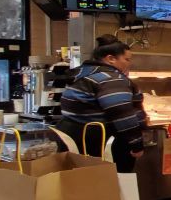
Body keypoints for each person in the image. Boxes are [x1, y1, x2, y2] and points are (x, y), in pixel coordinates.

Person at [57, 35, 146, 173]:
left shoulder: (84, 74)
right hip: (101, 144)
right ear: (110, 58)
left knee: (83, 184)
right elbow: (122, 114)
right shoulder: (110, 78)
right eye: (127, 59)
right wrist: (136, 144)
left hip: (78, 139)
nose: (129, 63)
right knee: (110, 186)